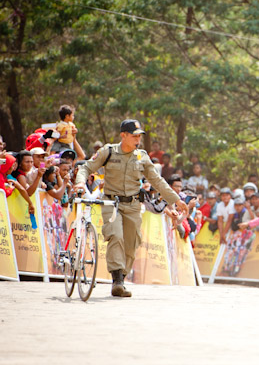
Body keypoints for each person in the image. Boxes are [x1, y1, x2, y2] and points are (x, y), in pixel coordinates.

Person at [74, 119, 187, 298]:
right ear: (123, 135)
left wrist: (176, 200)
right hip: (112, 204)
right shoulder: (108, 151)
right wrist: (80, 182)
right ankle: (117, 280)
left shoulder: (141, 156)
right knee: (116, 235)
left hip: (133, 205)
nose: (138, 140)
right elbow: (87, 167)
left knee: (132, 241)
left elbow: (157, 180)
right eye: (134, 136)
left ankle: (122, 278)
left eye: (139, 136)